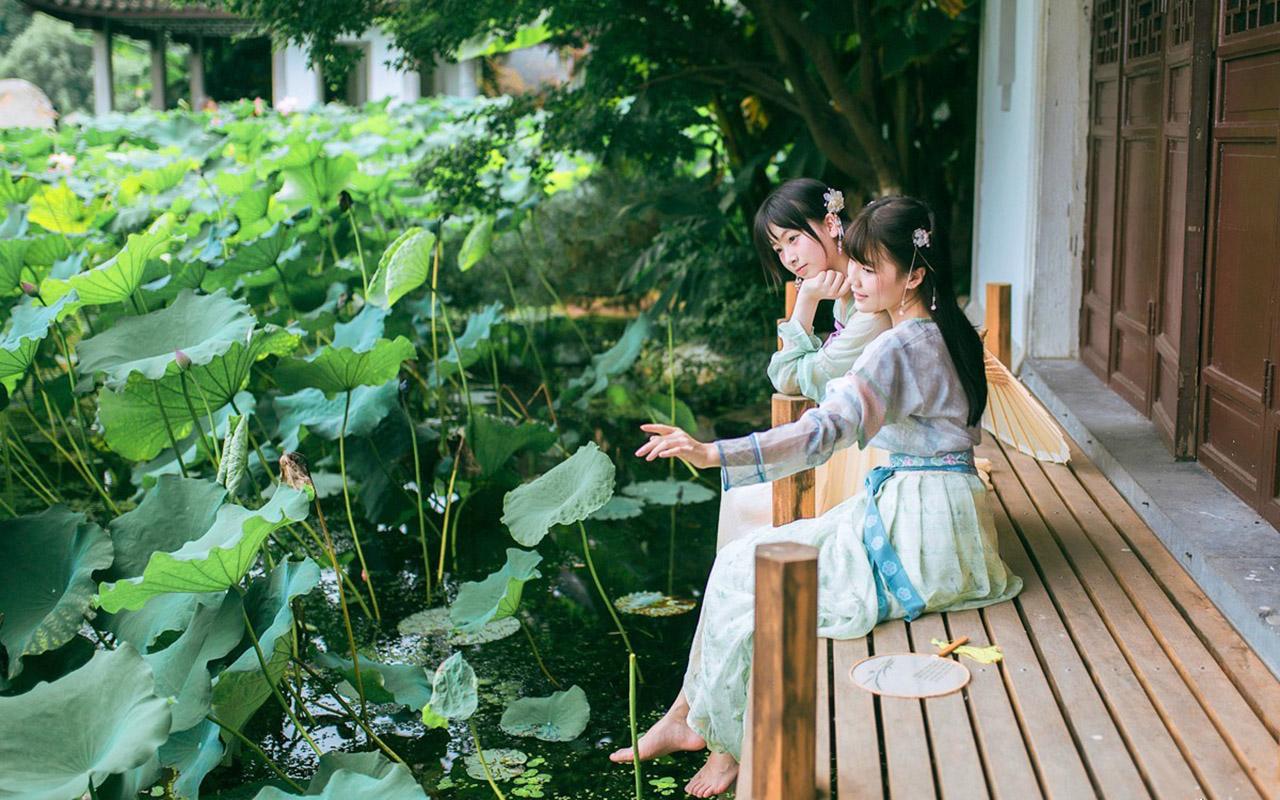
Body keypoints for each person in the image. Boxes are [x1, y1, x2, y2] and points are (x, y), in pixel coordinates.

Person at [612, 196, 1023, 797]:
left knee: (743, 576)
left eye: (868, 267)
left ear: (913, 275)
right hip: (946, 518)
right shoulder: (945, 332)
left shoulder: (898, 347)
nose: (852, 279)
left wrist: (711, 452)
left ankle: (725, 742)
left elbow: (821, 432)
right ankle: (692, 722)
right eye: (852, 263)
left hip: (918, 534)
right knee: (742, 562)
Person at [716, 178, 892, 549]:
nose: (790, 258)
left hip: (874, 457)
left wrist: (806, 300)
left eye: (793, 238)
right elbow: (787, 375)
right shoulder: (849, 289)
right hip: (853, 442)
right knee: (742, 490)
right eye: (779, 249)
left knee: (742, 496)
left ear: (830, 224)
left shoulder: (871, 303)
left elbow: (794, 379)